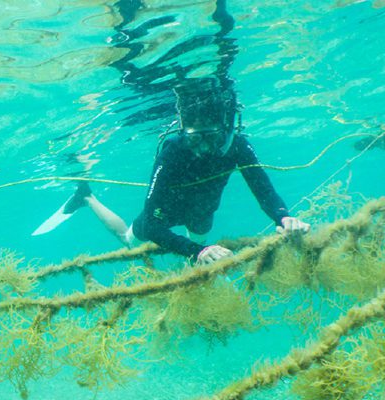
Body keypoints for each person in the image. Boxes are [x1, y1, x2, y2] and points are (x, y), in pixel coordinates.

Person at [39, 78, 310, 263]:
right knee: (129, 240)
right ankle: (86, 197)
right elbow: (152, 226)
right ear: (184, 132)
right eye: (195, 138)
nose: (203, 148)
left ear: (226, 129)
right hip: (164, 212)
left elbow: (263, 189)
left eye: (211, 137)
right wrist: (197, 250)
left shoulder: (237, 145)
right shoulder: (173, 150)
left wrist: (283, 217)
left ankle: (197, 259)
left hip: (203, 211)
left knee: (202, 248)